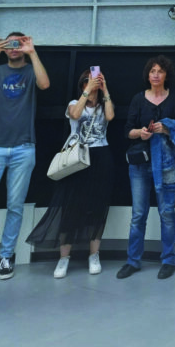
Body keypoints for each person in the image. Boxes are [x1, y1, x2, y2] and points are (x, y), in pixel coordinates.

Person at [26, 68, 115, 277]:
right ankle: (63, 258)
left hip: (101, 157)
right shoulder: (74, 104)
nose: (90, 84)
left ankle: (94, 255)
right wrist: (87, 92)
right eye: (86, 81)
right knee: (69, 207)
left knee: (97, 208)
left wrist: (105, 88)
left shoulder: (103, 106)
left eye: (93, 81)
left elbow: (110, 115)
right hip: (77, 159)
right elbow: (74, 115)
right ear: (81, 84)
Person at [116, 55, 175, 280]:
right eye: (152, 71)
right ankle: (133, 261)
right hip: (140, 164)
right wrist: (141, 133)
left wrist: (165, 130)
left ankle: (168, 260)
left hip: (166, 164)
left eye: (160, 71)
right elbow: (127, 130)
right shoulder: (138, 99)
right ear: (148, 75)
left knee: (166, 212)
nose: (155, 74)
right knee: (138, 214)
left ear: (167, 75)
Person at [0, 32, 50, 280]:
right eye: (10, 44)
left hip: (23, 148)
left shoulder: (30, 71)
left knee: (15, 206)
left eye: (19, 43)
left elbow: (44, 84)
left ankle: (6, 255)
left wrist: (32, 52)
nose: (14, 47)